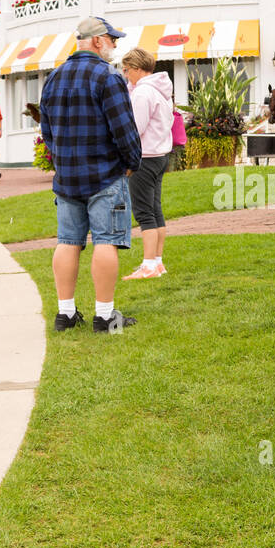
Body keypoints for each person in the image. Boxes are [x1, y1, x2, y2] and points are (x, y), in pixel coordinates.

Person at [39, 16, 143, 333]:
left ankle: (65, 314)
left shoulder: (53, 79)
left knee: (68, 241)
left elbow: (47, 133)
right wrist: (132, 161)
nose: (115, 46)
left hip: (68, 177)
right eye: (112, 40)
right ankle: (105, 315)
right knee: (106, 241)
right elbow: (124, 129)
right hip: (104, 173)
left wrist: (62, 162)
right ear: (97, 40)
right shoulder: (107, 78)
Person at [120, 47, 172, 280]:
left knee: (144, 213)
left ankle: (149, 264)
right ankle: (158, 262)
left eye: (127, 69)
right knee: (155, 209)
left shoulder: (142, 94)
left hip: (145, 157)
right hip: (160, 155)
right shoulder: (160, 89)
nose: (125, 74)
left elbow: (135, 129)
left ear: (138, 69)